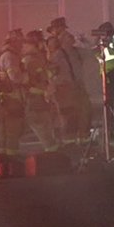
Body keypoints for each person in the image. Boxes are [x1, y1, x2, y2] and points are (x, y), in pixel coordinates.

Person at [48, 16, 92, 144]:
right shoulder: (56, 53)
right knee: (67, 114)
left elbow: (89, 52)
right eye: (63, 34)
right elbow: (51, 71)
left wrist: (84, 41)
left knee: (84, 110)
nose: (69, 37)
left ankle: (82, 137)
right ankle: (69, 139)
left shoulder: (75, 51)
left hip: (76, 84)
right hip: (64, 87)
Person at [20, 30, 60, 152]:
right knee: (42, 126)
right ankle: (52, 153)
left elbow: (46, 76)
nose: (44, 45)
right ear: (37, 43)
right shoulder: (30, 60)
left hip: (42, 99)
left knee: (47, 127)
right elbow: (27, 83)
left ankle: (52, 152)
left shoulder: (37, 58)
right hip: (35, 99)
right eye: (42, 42)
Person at [0, 29, 26, 158]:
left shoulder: (5, 54)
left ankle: (3, 156)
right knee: (13, 129)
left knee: (3, 129)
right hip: (12, 97)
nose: (22, 44)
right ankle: (12, 157)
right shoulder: (10, 56)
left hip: (4, 97)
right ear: (14, 42)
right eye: (19, 41)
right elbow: (15, 77)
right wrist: (27, 77)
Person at [46, 32, 82, 147]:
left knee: (67, 113)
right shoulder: (59, 54)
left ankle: (67, 139)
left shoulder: (61, 54)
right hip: (61, 87)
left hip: (64, 87)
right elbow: (52, 72)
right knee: (63, 114)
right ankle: (64, 139)